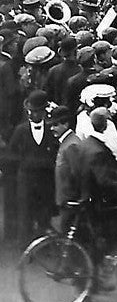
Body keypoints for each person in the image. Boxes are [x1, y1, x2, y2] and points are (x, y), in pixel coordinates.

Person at [9, 90, 57, 246]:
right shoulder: (20, 130)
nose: (34, 115)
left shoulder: (51, 130)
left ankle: (45, 247)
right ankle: (25, 249)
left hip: (46, 180)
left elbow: (55, 152)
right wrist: (24, 163)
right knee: (25, 216)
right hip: (26, 179)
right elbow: (12, 154)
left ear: (44, 112)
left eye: (37, 111)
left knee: (44, 215)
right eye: (31, 111)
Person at [49, 105, 82, 231]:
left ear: (66, 124)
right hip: (65, 201)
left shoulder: (71, 145)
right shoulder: (66, 143)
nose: (52, 129)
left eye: (55, 125)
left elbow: (77, 174)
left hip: (70, 203)